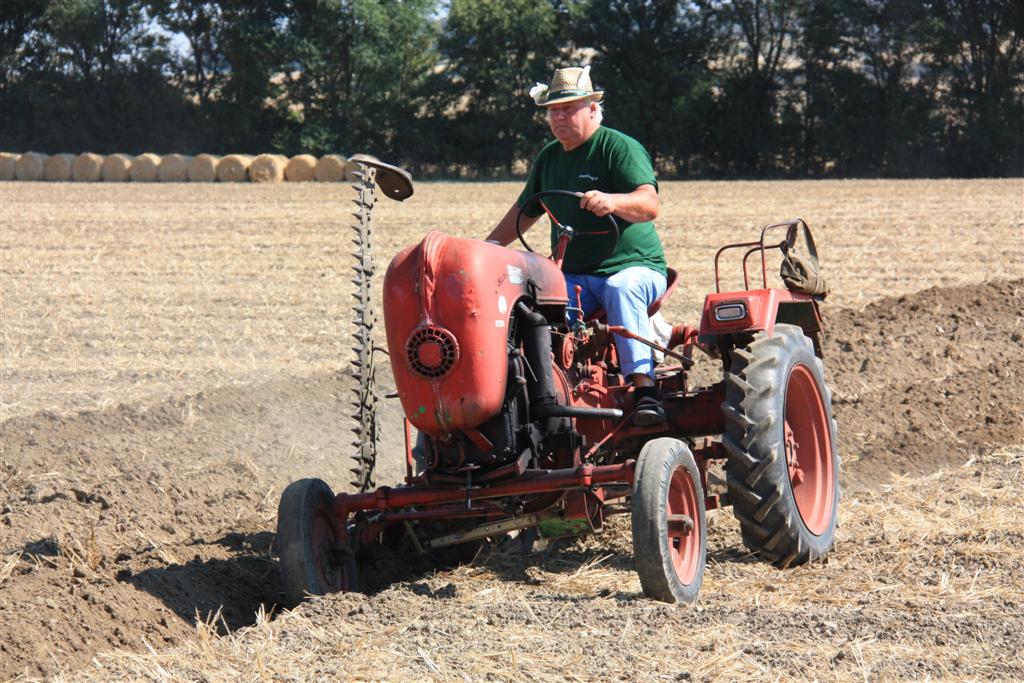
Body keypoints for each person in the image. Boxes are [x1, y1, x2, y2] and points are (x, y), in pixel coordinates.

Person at [485, 66, 668, 426]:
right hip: (576, 277)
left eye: (569, 108)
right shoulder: (549, 158)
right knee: (533, 304)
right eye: (554, 110)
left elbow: (649, 205)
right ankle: (546, 390)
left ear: (592, 109)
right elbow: (526, 210)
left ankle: (645, 390)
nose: (559, 117)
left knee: (621, 287)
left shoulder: (618, 147)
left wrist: (613, 202)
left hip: (635, 268)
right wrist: (488, 246)